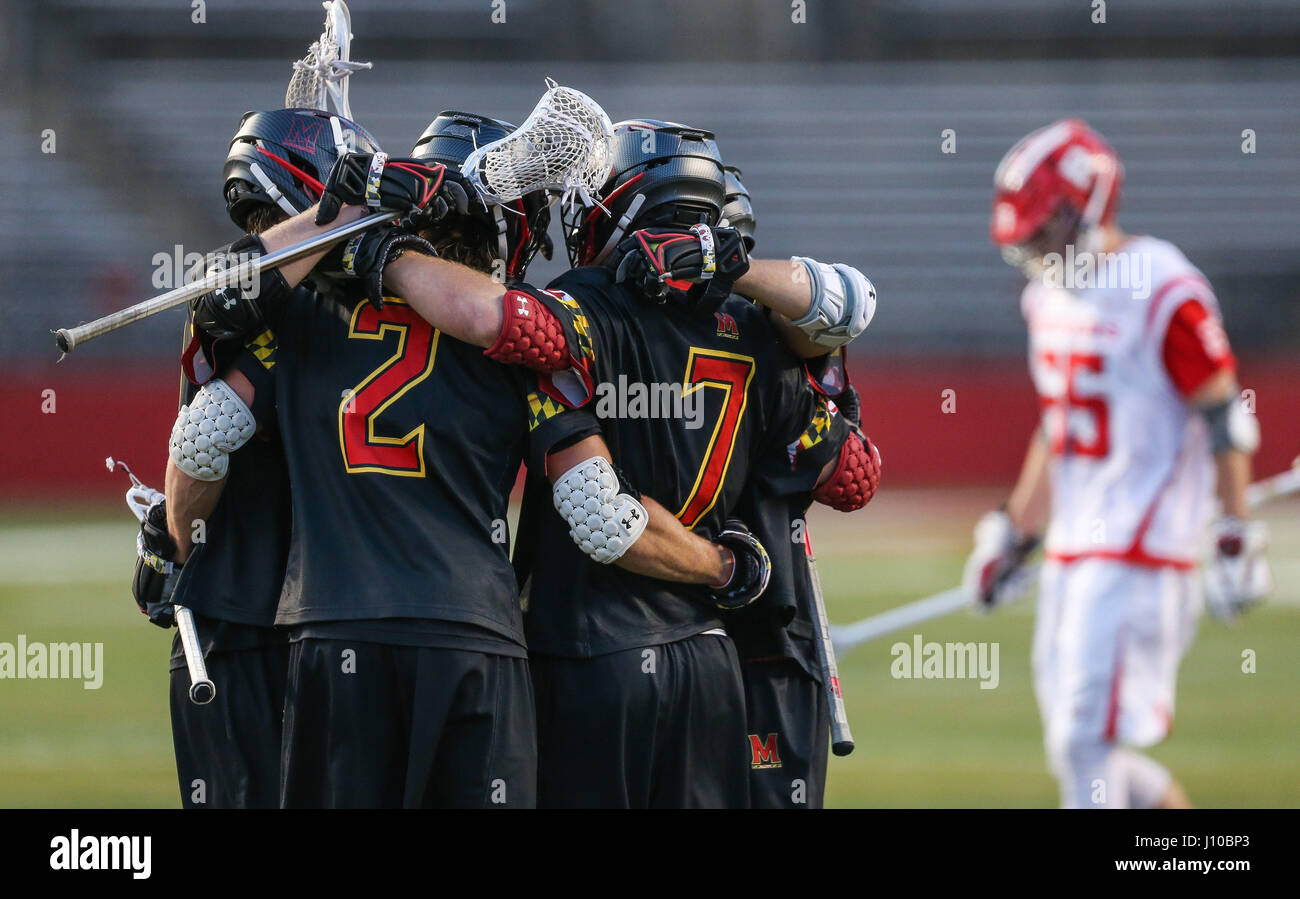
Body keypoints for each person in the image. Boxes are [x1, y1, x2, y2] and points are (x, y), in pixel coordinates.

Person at [962, 118, 1272, 809]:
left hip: (1141, 549)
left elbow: (1224, 414)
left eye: (1046, 228)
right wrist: (1015, 532)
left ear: (1087, 206)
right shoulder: (1047, 299)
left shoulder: (1161, 284)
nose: (1036, 246)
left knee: (1085, 746)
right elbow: (1059, 426)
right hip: (1078, 548)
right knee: (1080, 746)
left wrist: (1235, 531)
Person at [133, 105, 380, 808]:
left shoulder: (285, 297)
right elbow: (201, 442)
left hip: (279, 616)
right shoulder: (237, 291)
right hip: (261, 617)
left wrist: (172, 547)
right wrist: (175, 545)